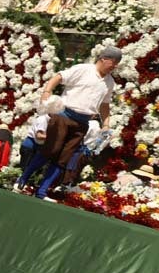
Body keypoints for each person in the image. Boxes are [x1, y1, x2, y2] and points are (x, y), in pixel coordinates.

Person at [32, 47, 120, 199]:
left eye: (117, 63)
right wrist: (47, 92)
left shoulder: (109, 83)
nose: (115, 66)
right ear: (103, 59)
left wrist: (106, 124)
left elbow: (104, 105)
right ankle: (23, 179)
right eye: (113, 62)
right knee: (50, 151)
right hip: (64, 115)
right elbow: (59, 77)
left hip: (82, 123)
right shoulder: (84, 69)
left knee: (63, 159)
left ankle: (42, 191)